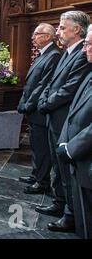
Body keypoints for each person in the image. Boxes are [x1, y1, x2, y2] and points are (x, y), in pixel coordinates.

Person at [36, 11, 92, 232]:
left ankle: (70, 213)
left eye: (61, 27)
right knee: (58, 168)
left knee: (68, 171)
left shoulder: (81, 55)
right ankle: (62, 204)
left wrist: (47, 103)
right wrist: (45, 100)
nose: (57, 32)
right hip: (57, 116)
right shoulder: (67, 53)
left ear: (77, 29)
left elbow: (69, 88)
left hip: (65, 116)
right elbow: (52, 82)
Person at [55, 26, 92, 238]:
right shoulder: (89, 75)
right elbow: (74, 111)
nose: (85, 49)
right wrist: (64, 141)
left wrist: (71, 148)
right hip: (77, 156)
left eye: (88, 44)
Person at [17, 24, 61, 194]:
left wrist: (29, 104)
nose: (33, 37)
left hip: (39, 109)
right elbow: (32, 82)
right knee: (35, 144)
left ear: (48, 36)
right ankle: (36, 175)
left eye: (37, 34)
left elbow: (44, 84)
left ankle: (42, 182)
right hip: (33, 108)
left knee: (42, 147)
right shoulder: (44, 54)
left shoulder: (54, 55)